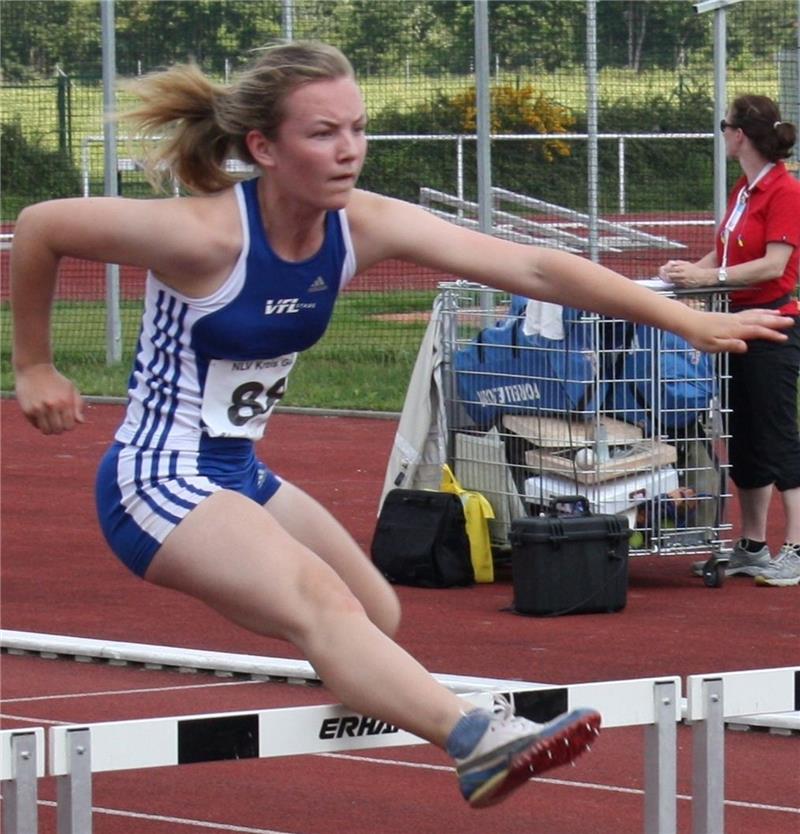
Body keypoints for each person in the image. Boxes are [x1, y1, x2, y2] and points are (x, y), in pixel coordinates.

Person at [10, 43, 792, 809]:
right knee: (327, 604)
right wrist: (36, 366)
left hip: (239, 474)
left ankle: (333, 639)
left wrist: (679, 318)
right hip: (156, 476)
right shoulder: (203, 235)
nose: (349, 150)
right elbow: (42, 225)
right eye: (323, 134)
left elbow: (531, 268)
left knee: (376, 616)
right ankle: (480, 742)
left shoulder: (361, 224)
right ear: (264, 147)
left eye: (356, 128)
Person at [659, 94, 800, 588]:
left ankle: (797, 547)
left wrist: (708, 276)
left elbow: (772, 266)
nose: (722, 136)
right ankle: (754, 544)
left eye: (724, 127)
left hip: (772, 325)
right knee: (744, 435)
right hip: (734, 324)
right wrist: (683, 274)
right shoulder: (744, 190)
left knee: (778, 434)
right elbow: (721, 256)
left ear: (740, 134)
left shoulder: (784, 191)